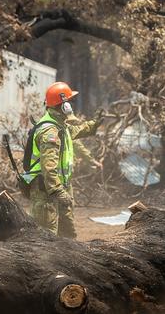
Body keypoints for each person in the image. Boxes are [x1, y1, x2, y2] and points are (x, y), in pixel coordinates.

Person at [23, 81, 103, 238]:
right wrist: (58, 191)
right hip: (46, 191)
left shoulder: (60, 125)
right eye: (70, 102)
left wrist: (93, 125)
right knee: (46, 237)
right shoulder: (50, 132)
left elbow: (76, 131)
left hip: (59, 187)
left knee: (67, 235)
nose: (71, 105)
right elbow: (48, 167)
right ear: (64, 105)